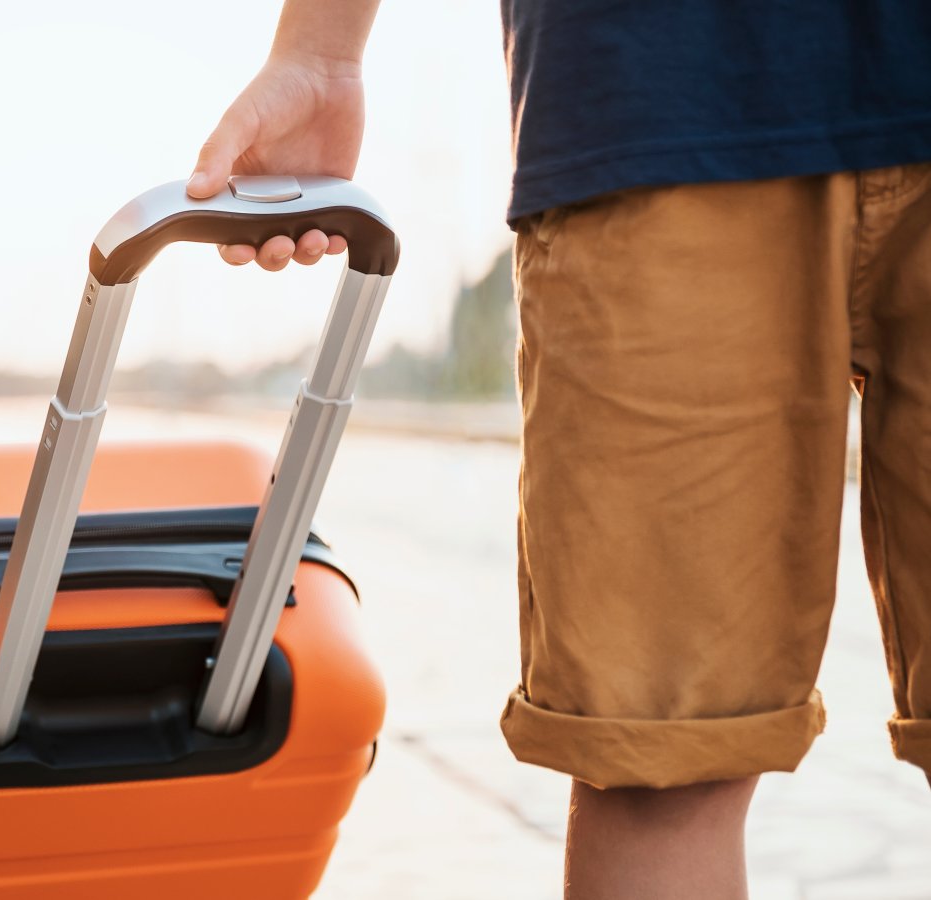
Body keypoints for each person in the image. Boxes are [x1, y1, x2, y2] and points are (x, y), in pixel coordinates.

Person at [185, 2, 931, 898]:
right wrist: (320, 46)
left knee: (660, 762)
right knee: (655, 755)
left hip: (650, 107)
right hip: (659, 87)